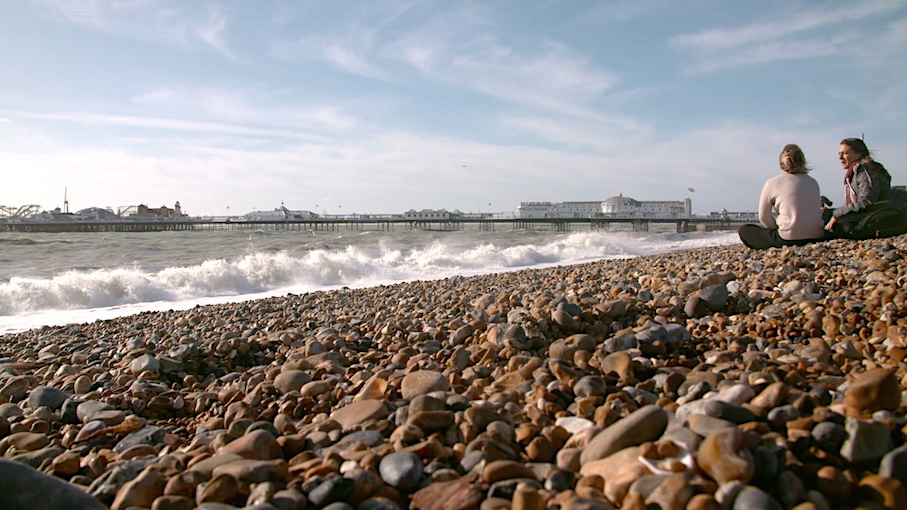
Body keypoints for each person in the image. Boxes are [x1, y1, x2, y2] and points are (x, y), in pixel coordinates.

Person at [738, 144, 826, 249]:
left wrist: (775, 229)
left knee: (745, 230)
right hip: (817, 236)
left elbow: (763, 217)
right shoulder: (813, 182)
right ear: (803, 161)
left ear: (780, 163)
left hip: (788, 238)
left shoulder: (772, 183)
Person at [824, 137, 894, 233]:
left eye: (845, 153)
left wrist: (836, 214)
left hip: (873, 214)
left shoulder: (863, 170)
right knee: (824, 213)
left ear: (858, 154)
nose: (840, 157)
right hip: (869, 212)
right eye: (839, 154)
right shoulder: (856, 171)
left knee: (835, 222)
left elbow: (866, 201)